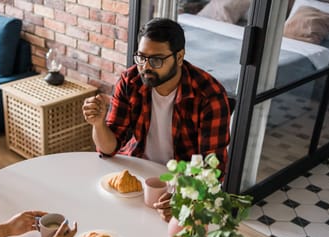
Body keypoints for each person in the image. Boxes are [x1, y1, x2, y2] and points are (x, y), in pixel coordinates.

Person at [82, 18, 231, 222]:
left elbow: (214, 169)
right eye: (141, 57)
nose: (146, 67)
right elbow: (108, 149)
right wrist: (98, 123)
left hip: (183, 182)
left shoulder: (209, 96)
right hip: (137, 172)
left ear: (179, 57)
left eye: (156, 60)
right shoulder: (130, 81)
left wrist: (183, 198)